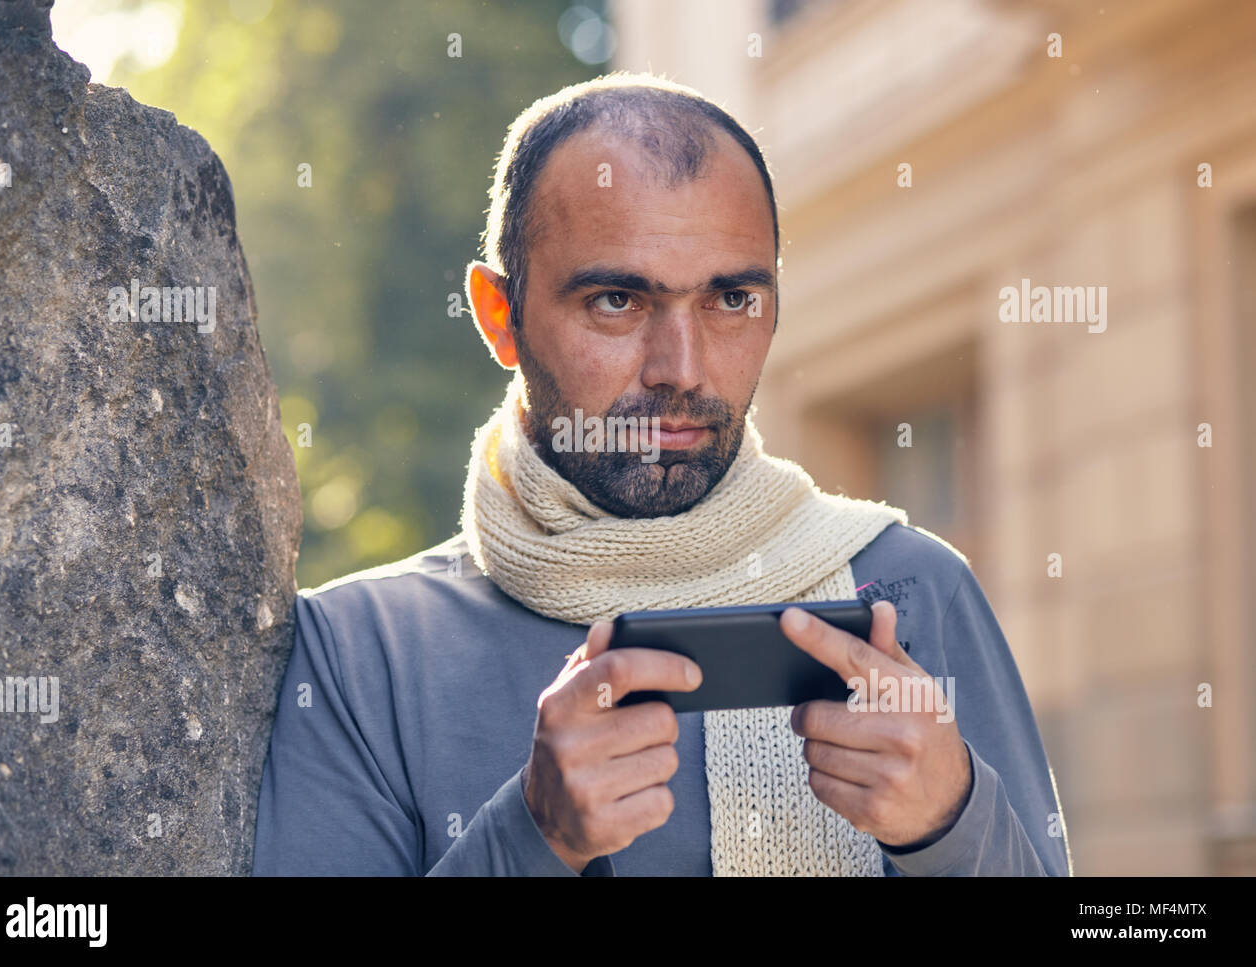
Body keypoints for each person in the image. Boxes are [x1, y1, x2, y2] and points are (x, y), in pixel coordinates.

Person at [252, 71, 1072, 877]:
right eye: (617, 300)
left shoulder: (917, 589)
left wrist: (953, 825)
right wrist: (531, 839)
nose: (681, 369)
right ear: (500, 316)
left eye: (731, 300)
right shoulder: (360, 653)